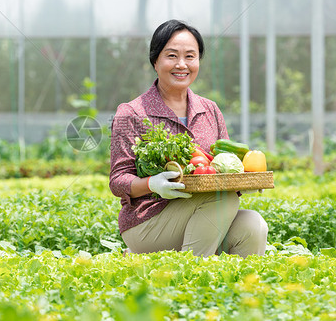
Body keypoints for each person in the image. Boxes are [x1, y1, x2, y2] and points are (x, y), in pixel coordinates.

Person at [109, 19, 268, 258]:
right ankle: (189, 278)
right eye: (171, 56)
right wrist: (153, 184)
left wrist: (241, 183)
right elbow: (118, 181)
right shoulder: (131, 113)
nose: (181, 64)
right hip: (148, 221)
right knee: (221, 198)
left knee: (253, 225)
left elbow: (220, 165)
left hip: (205, 212)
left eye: (190, 56)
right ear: (155, 61)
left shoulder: (210, 109)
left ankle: (233, 292)